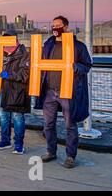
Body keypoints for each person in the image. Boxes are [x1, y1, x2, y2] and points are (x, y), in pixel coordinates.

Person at [35, 16, 92, 169]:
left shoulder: (78, 46)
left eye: (58, 25)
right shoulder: (48, 44)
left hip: (68, 91)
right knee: (48, 124)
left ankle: (70, 156)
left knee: (70, 125)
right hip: (49, 91)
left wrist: (76, 68)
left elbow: (87, 65)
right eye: (53, 25)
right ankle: (51, 151)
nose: (55, 27)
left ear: (66, 27)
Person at [0, 30, 30, 155]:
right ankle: (5, 141)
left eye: (9, 40)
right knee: (3, 117)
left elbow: (26, 75)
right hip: (1, 90)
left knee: (18, 117)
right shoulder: (0, 53)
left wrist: (8, 75)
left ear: (16, 40)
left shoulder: (24, 55)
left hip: (17, 91)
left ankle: (19, 144)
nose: (6, 43)